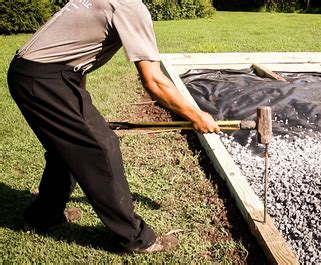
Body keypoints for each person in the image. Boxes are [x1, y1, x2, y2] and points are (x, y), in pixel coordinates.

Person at [7, 0, 220, 254]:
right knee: (100, 148)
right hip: (46, 80)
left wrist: (79, 105)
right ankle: (135, 238)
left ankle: (43, 216)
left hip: (35, 74)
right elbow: (153, 80)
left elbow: (68, 44)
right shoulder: (130, 8)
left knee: (66, 150)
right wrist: (195, 115)